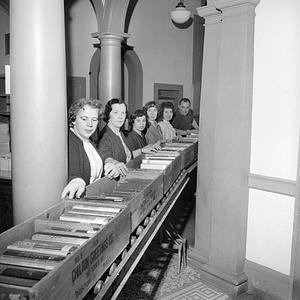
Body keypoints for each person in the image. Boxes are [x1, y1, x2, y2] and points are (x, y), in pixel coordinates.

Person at [61, 98, 119, 199]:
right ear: (73, 120)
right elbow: (73, 172)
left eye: (94, 119)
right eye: (84, 119)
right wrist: (76, 181)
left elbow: (92, 167)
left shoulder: (89, 140)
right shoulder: (70, 140)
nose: (90, 124)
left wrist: (108, 168)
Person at [97, 98, 132, 177]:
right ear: (108, 114)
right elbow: (105, 156)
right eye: (116, 112)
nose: (120, 116)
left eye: (123, 113)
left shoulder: (120, 133)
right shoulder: (105, 135)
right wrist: (115, 163)